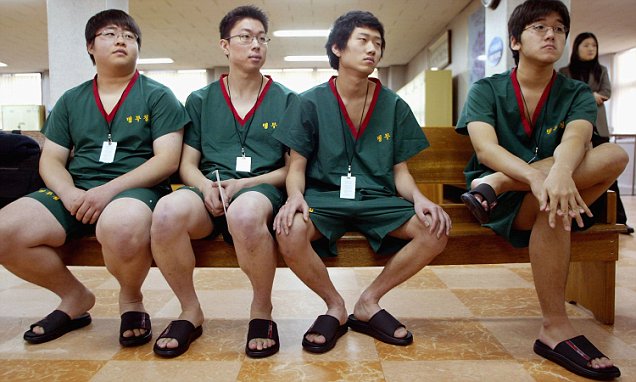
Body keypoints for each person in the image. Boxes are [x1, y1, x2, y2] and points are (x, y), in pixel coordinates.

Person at [457, 0, 625, 380]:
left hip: (511, 190)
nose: (552, 34)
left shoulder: (577, 92)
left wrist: (559, 172)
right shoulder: (486, 89)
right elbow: (486, 149)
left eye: (559, 29)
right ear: (515, 40)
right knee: (557, 199)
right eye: (539, 27)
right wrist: (536, 178)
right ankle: (554, 326)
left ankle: (498, 183)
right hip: (499, 208)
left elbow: (578, 139)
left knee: (611, 155)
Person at [0, 9, 188, 346]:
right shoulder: (72, 100)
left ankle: (131, 300)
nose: (121, 40)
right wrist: (69, 193)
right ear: (90, 46)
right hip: (76, 190)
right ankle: (74, 297)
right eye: (110, 34)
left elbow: (167, 160)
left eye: (129, 37)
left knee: (121, 224)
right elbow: (52, 159)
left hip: (135, 190)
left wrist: (107, 191)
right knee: (4, 230)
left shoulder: (158, 96)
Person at [272, 10, 450, 354]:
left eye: (378, 43)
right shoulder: (308, 102)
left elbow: (400, 171)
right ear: (338, 48)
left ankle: (369, 302)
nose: (372, 49)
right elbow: (296, 165)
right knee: (289, 230)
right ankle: (335, 306)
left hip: (377, 199)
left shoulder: (393, 104)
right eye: (363, 40)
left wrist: (420, 199)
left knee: (435, 229)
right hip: (324, 198)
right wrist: (294, 196)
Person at [150, 5, 297, 358]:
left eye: (262, 38)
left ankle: (262, 310)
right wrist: (204, 187)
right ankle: (189, 310)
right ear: (225, 46)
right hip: (208, 189)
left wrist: (244, 185)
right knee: (167, 211)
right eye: (245, 37)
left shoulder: (288, 99)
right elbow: (187, 164)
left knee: (245, 214)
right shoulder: (200, 100)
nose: (255, 45)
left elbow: (291, 169)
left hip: (260, 189)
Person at [559, 32, 632, 233]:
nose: (591, 49)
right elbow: (565, 96)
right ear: (577, 48)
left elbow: (606, 93)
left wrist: (587, 95)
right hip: (574, 127)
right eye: (586, 45)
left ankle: (618, 219)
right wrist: (590, 95)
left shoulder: (602, 70)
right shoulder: (565, 71)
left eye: (594, 45)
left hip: (599, 127)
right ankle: (584, 215)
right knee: (580, 170)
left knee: (609, 171)